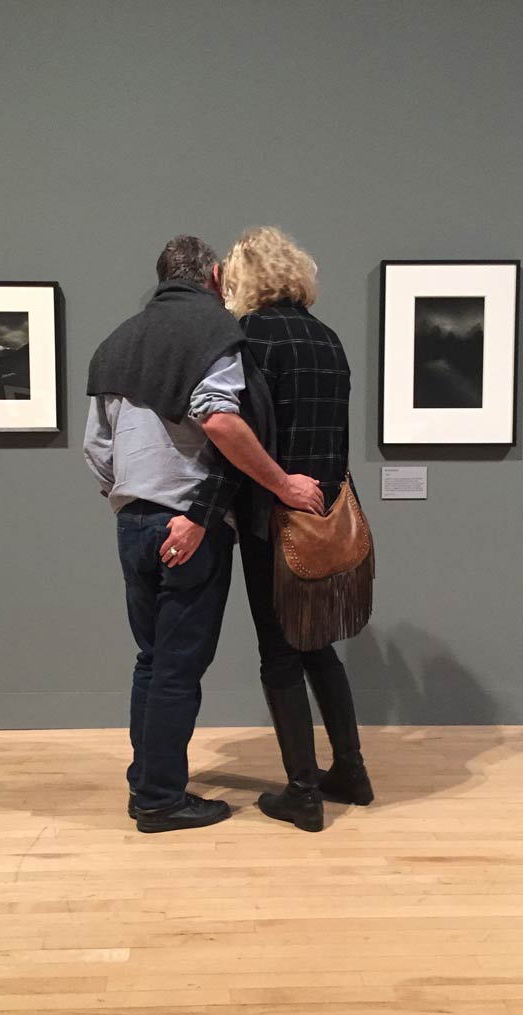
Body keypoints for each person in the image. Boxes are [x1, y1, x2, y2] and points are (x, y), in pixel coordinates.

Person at [84, 235, 324, 834]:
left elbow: (96, 447)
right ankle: (160, 800)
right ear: (214, 275)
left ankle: (146, 781)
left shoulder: (116, 341)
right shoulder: (215, 332)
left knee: (151, 660)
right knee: (177, 667)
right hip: (190, 523)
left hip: (132, 520)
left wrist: (129, 497)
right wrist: (282, 486)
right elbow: (219, 420)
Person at [223, 226, 374, 833]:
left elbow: (243, 434)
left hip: (273, 515)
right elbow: (338, 437)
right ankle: (352, 771)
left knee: (278, 650)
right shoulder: (328, 338)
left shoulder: (249, 338)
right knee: (316, 642)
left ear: (245, 278)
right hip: (326, 512)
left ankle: (303, 794)